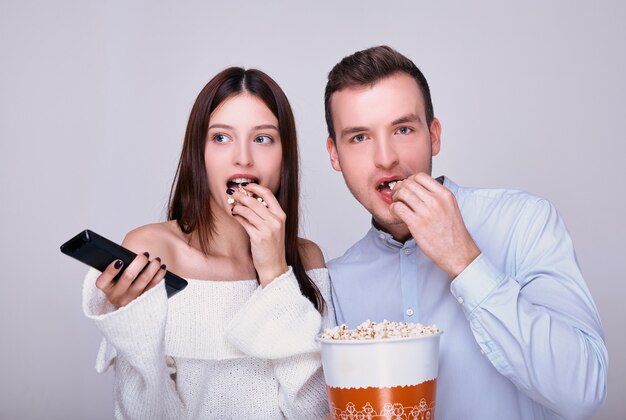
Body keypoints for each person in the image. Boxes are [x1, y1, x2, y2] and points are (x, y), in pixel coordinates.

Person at [323, 45, 608, 420]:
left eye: (403, 129)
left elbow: (585, 392)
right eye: (359, 137)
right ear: (334, 155)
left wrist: (465, 261)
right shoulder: (335, 282)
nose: (386, 158)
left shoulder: (523, 222)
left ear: (434, 135)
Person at [82, 67, 334, 419]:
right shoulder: (153, 250)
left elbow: (317, 413)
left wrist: (275, 274)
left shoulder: (308, 259)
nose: (243, 157)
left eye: (263, 138)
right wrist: (135, 329)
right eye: (221, 138)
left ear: (285, 155)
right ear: (197, 152)